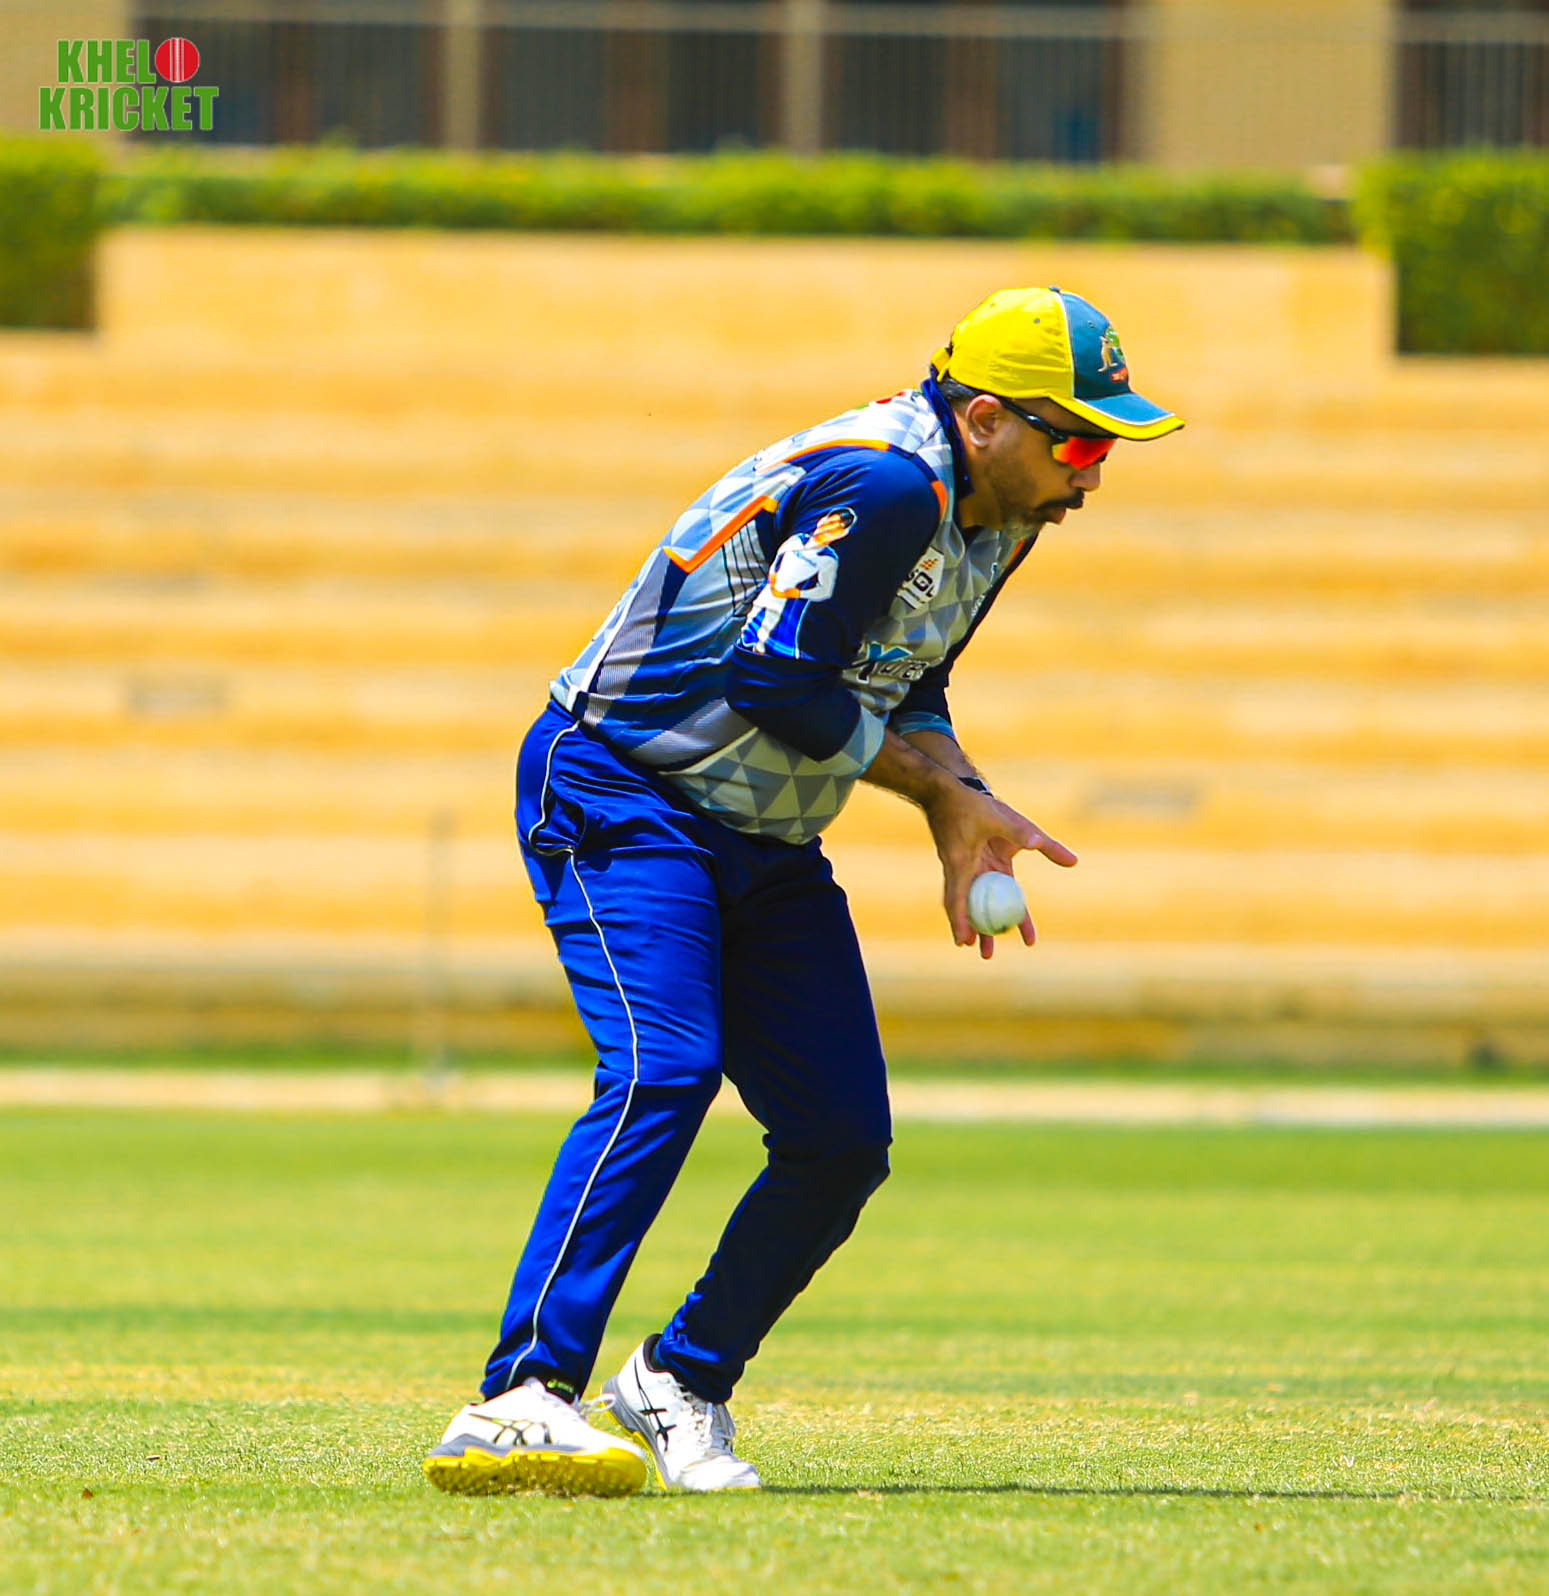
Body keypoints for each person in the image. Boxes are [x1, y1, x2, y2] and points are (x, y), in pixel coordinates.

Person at [424, 285, 1183, 1498]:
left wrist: (961, 800)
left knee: (838, 1139)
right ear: (987, 419)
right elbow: (776, 680)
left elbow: (907, 679)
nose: (1089, 476)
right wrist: (939, 798)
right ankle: (520, 1397)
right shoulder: (886, 485)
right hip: (626, 789)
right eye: (1079, 443)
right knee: (663, 1071)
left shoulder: (1001, 513)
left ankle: (678, 1381)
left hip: (765, 837)